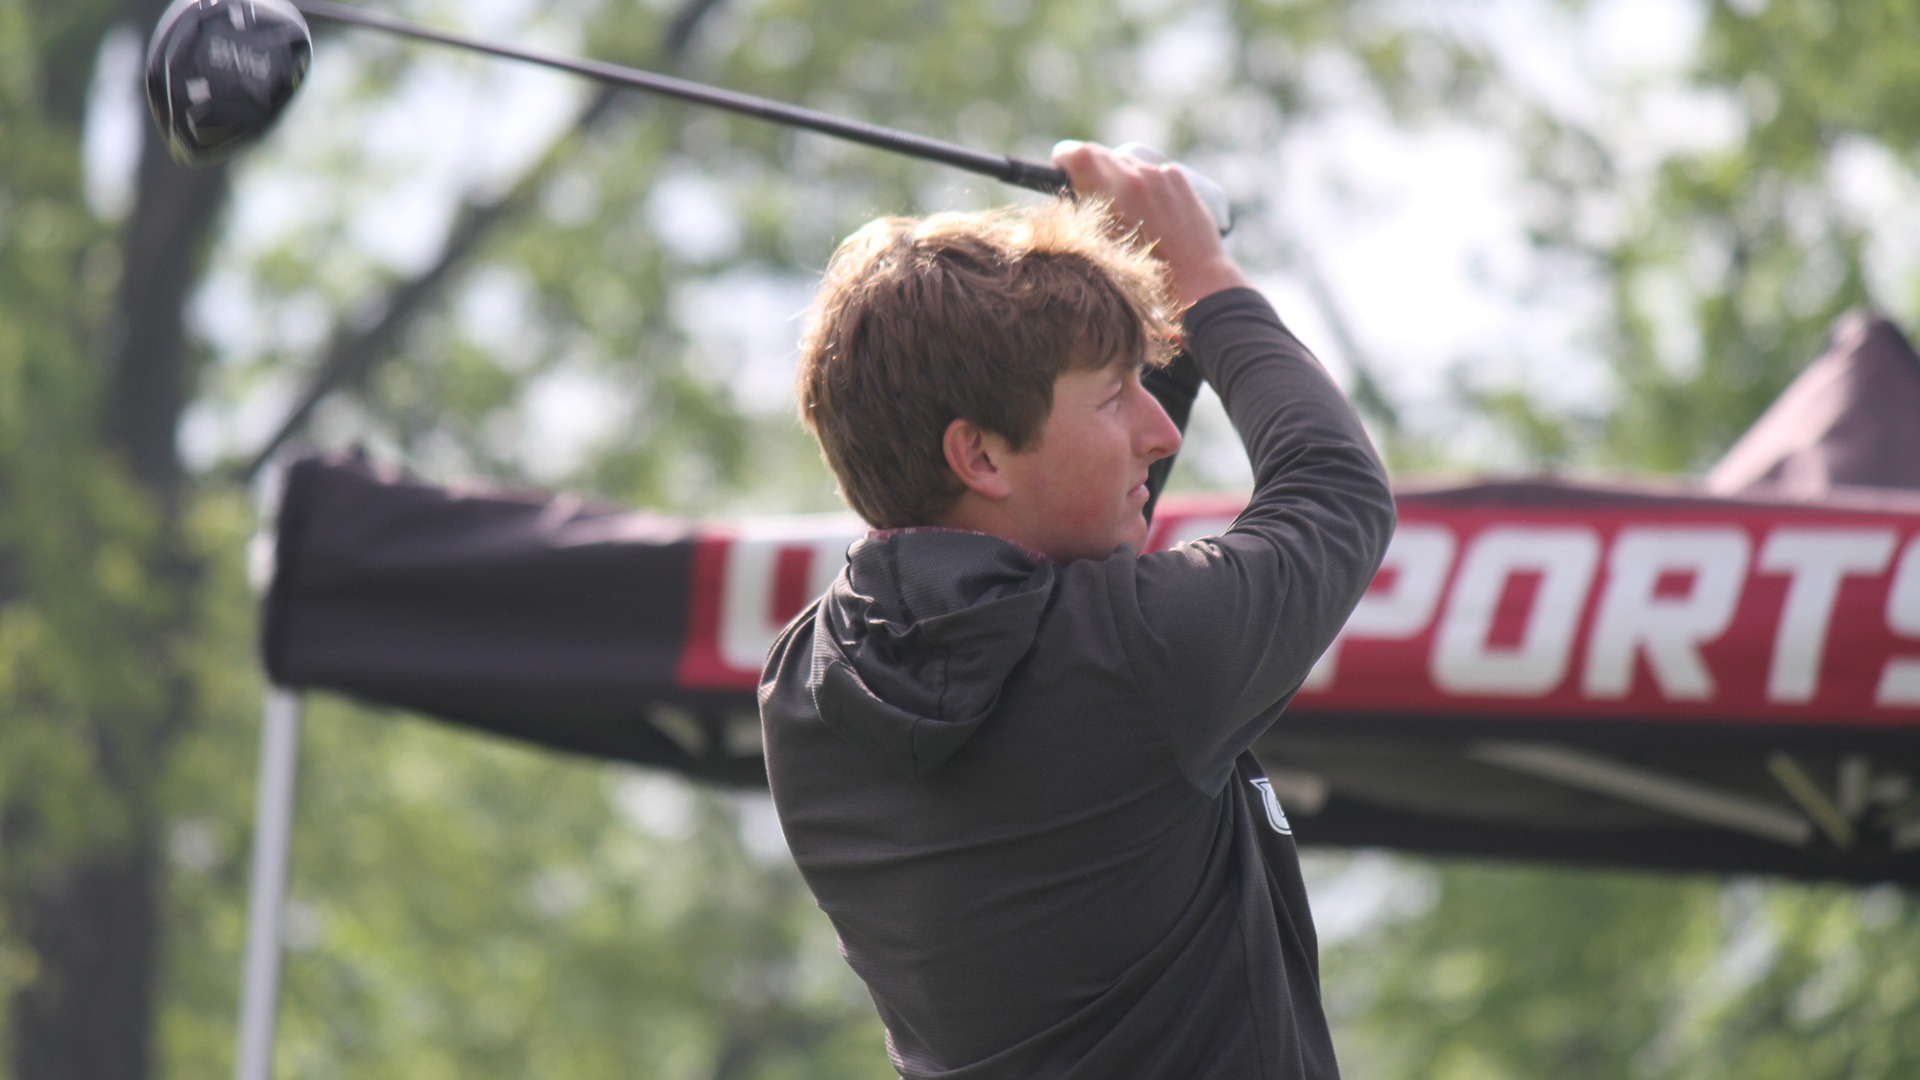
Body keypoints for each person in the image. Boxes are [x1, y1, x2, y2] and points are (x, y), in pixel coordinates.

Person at [759, 141, 1395, 1079]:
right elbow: (1338, 494)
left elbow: (1065, 572)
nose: (1162, 431)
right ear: (978, 457)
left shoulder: (804, 687)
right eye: (1115, 399)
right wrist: (1203, 274)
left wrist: (1131, 283)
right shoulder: (1143, 658)